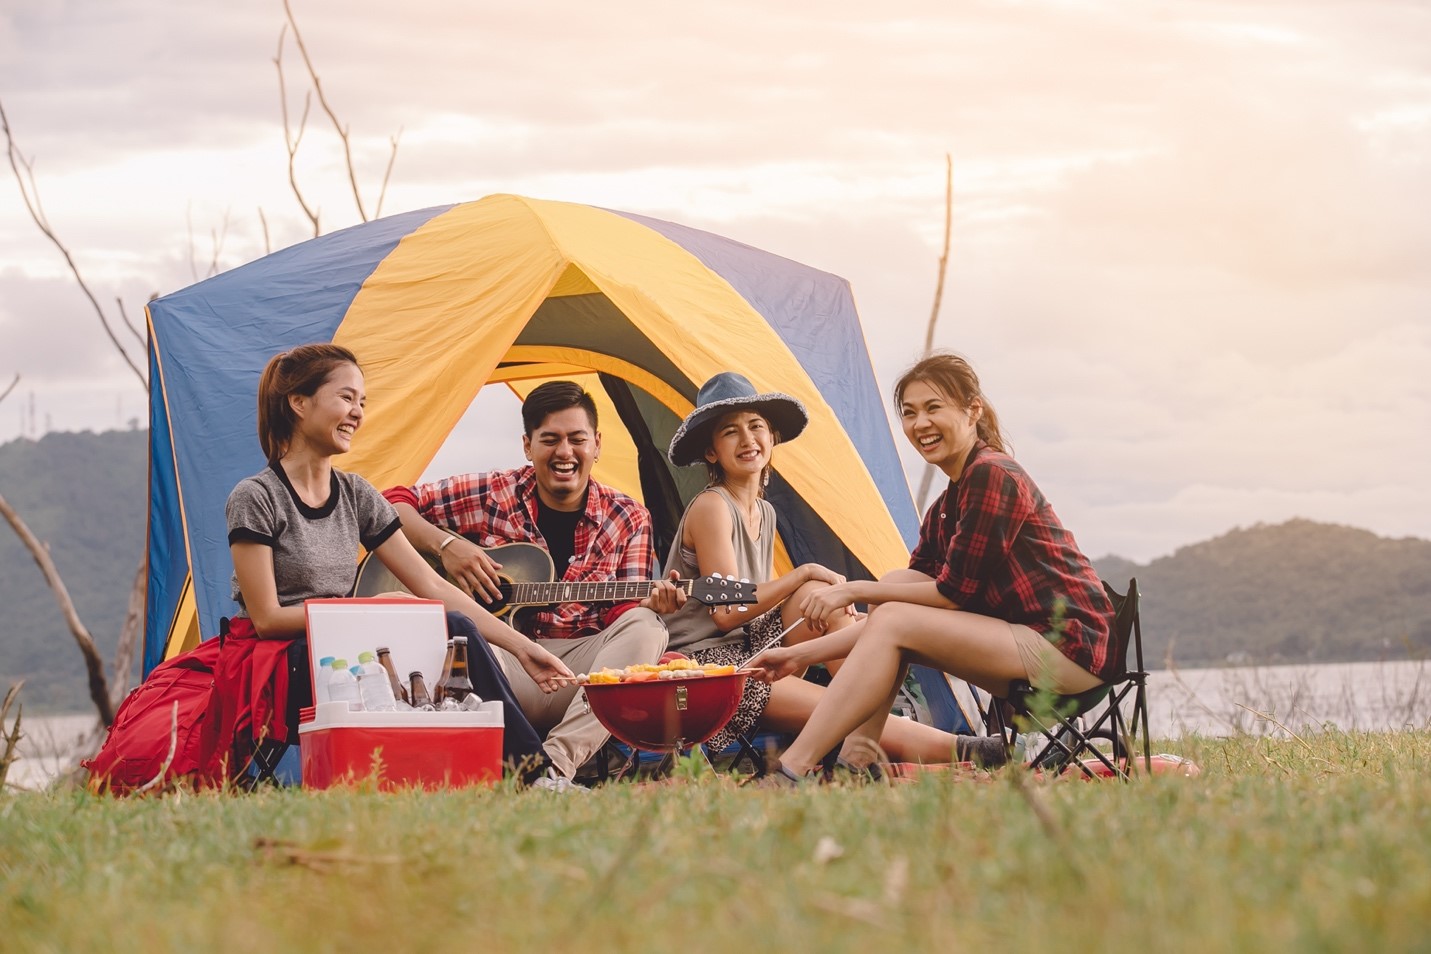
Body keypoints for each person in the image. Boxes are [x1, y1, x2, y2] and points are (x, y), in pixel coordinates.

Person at [750, 352, 1116, 782]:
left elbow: (951, 594)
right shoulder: (948, 503)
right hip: (1022, 641)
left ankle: (792, 769)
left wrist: (853, 590)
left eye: (933, 407)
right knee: (898, 587)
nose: (919, 424)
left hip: (1068, 650)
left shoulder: (992, 475)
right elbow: (897, 608)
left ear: (972, 410)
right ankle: (854, 764)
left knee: (891, 606)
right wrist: (797, 655)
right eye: (909, 413)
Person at [222, 344, 571, 786]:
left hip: (354, 649)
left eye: (362, 402)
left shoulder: (355, 494)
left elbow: (432, 584)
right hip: (285, 662)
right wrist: (372, 612)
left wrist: (523, 648)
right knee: (410, 628)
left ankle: (534, 776)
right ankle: (519, 775)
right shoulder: (256, 497)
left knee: (456, 627)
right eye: (347, 398)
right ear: (299, 402)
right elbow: (267, 619)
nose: (357, 413)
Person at [383, 381, 684, 789]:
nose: (565, 452)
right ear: (528, 446)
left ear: (596, 444)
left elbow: (621, 616)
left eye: (577, 439)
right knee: (454, 632)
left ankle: (551, 770)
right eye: (550, 439)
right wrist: (447, 545)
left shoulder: (629, 517)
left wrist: (653, 605)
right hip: (502, 664)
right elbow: (388, 504)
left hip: (577, 677)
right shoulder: (492, 492)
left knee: (647, 626)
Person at [663, 372, 959, 768]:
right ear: (712, 452)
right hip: (710, 669)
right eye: (731, 432)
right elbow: (727, 611)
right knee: (835, 691)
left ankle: (867, 717)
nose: (748, 439)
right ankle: (969, 749)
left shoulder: (763, 512)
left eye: (756, 427)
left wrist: (818, 588)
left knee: (822, 595)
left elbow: (758, 606)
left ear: (772, 438)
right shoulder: (713, 506)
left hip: (751, 648)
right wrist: (799, 575)